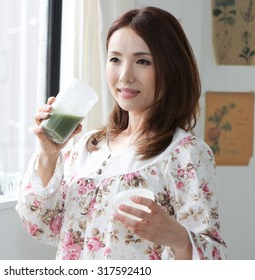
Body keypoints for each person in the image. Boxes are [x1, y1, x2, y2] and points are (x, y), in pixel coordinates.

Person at [16, 6, 227, 260]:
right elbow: (42, 226)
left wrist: (178, 237)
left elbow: (215, 260)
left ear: (171, 69)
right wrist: (48, 155)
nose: (125, 75)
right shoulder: (87, 146)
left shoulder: (185, 154)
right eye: (115, 59)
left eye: (143, 61)